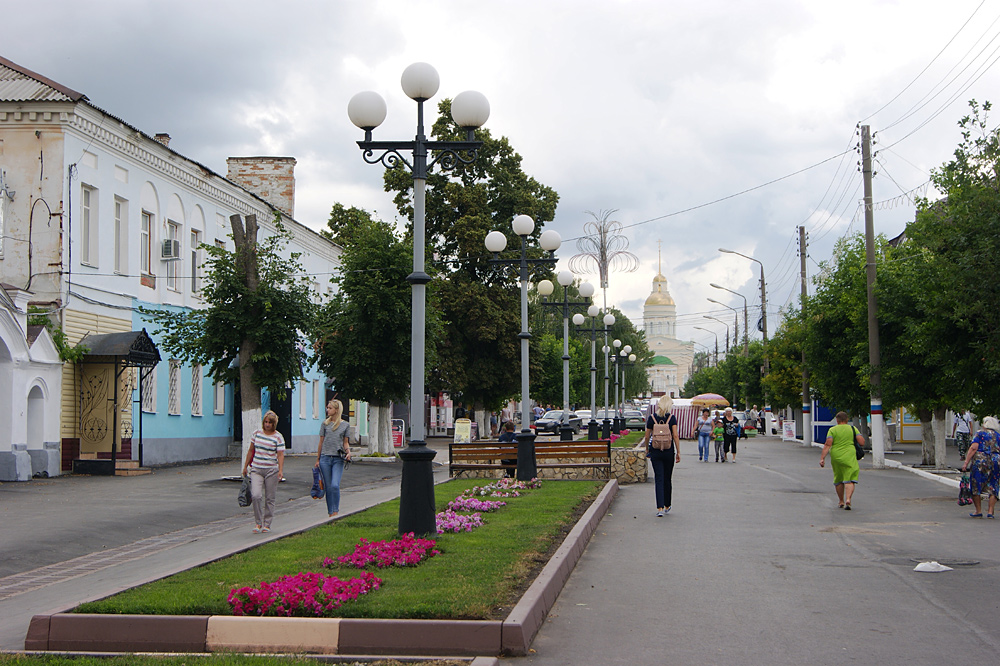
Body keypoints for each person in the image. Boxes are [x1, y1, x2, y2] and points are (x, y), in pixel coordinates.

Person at [242, 410, 285, 533]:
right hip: (257, 468)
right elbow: (250, 450)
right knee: (256, 495)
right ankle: (258, 522)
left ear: (274, 424)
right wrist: (245, 466)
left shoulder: (278, 437)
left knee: (270, 498)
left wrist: (280, 470)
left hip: (271, 469)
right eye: (265, 422)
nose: (267, 424)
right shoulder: (256, 434)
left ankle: (267, 523)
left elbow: (280, 454)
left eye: (270, 423)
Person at [642, 395, 680, 517]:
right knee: (667, 478)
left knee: (659, 478)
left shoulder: (652, 418)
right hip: (669, 451)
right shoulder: (672, 418)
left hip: (656, 451)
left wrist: (647, 449)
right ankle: (667, 505)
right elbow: (675, 436)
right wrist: (678, 451)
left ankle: (659, 507)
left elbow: (647, 436)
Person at [314, 399, 352, 518]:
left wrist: (348, 452)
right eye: (327, 407)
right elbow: (321, 442)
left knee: (335, 485)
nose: (327, 410)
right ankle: (331, 512)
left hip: (338, 459)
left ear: (336, 410)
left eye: (330, 408)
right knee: (328, 486)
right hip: (325, 458)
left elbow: (345, 442)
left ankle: (336, 510)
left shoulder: (345, 425)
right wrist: (318, 459)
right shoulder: (325, 424)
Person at [819, 411, 864, 510]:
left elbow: (828, 444)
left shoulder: (832, 430)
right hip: (850, 456)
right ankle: (848, 499)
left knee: (838, 479)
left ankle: (841, 501)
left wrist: (822, 458)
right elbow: (861, 442)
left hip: (836, 457)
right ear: (847, 420)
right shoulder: (853, 429)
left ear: (837, 420)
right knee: (850, 479)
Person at [962, 415, 1000, 518]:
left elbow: (974, 448)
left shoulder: (980, 434)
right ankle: (990, 512)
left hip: (980, 462)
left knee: (976, 485)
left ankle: (978, 511)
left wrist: (966, 462)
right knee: (994, 485)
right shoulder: (998, 435)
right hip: (995, 462)